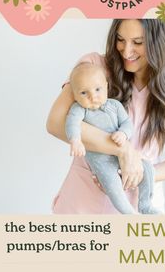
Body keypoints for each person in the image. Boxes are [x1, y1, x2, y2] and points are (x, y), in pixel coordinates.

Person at [47, 19, 165, 214]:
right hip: (83, 204)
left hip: (141, 205)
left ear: (158, 43)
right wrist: (124, 151)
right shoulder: (93, 66)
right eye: (120, 39)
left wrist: (139, 174)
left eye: (138, 42)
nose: (126, 51)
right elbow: (56, 122)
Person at [65, 62, 159, 214]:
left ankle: (145, 205)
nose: (93, 96)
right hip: (101, 161)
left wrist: (123, 133)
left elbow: (127, 123)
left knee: (147, 169)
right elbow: (72, 123)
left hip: (122, 155)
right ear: (74, 94)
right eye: (83, 93)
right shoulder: (80, 109)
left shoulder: (114, 105)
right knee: (113, 188)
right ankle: (130, 214)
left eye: (97, 89)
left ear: (106, 86)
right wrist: (75, 140)